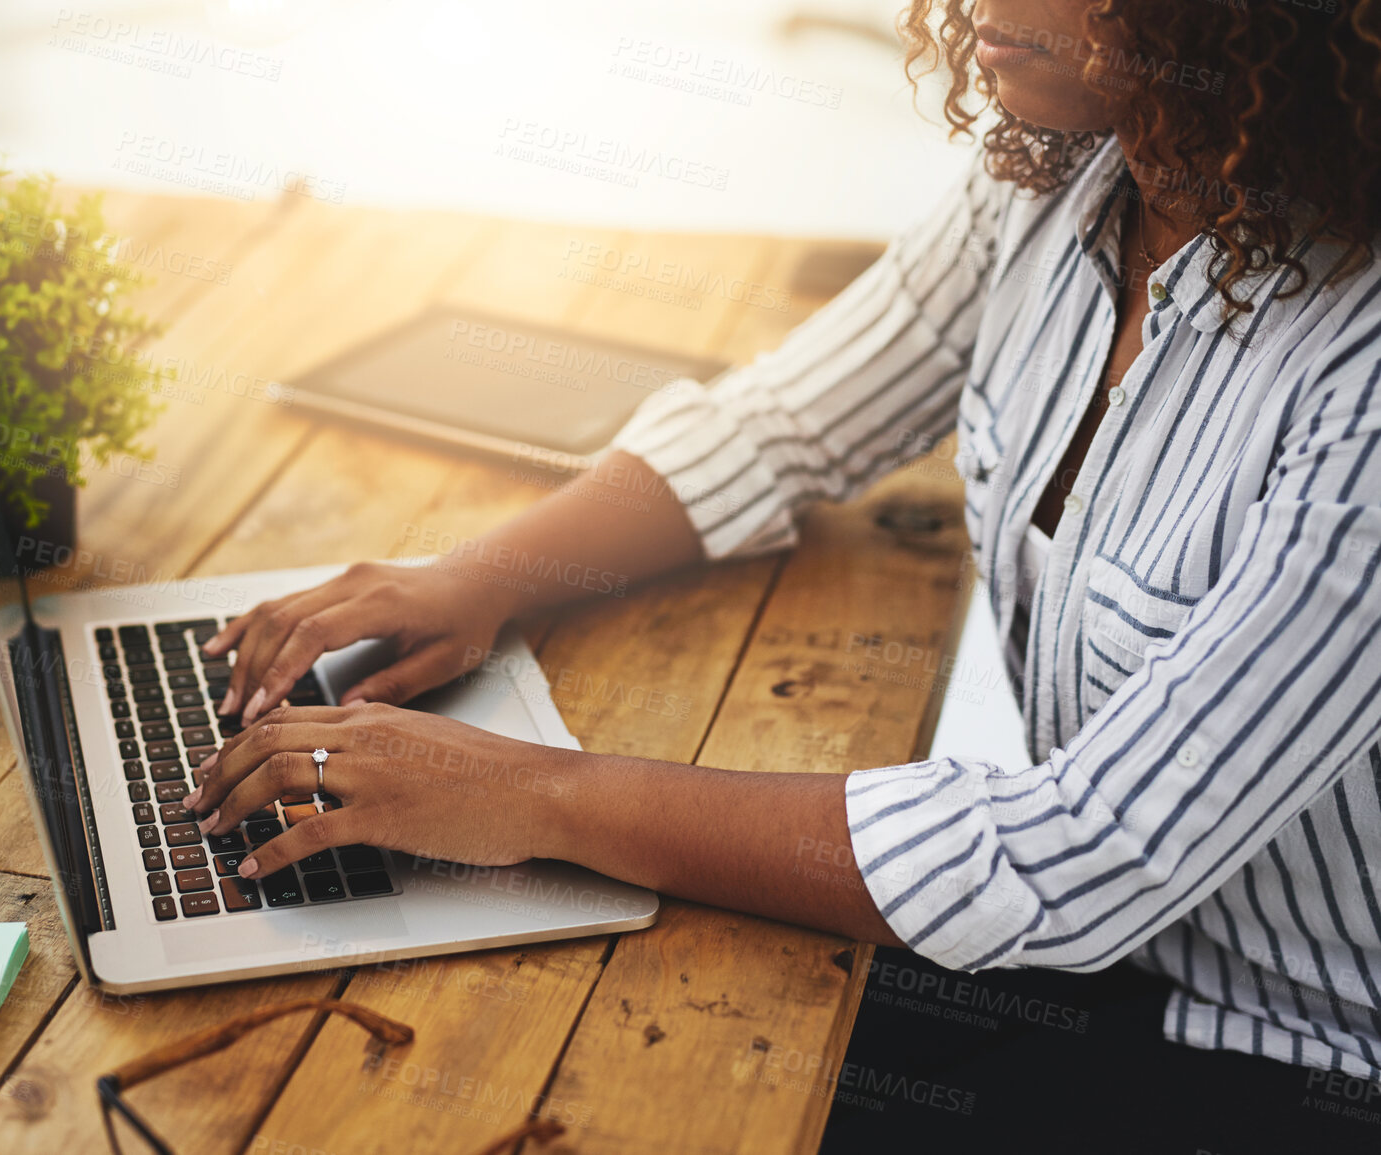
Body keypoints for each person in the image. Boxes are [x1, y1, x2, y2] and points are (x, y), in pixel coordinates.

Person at [185, 1, 1381, 1146]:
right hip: (1107, 968)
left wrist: (536, 794)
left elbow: (1080, 852)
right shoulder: (1080, 166)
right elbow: (786, 422)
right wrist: (480, 576)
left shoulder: (1360, 388)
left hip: (1297, 1058)